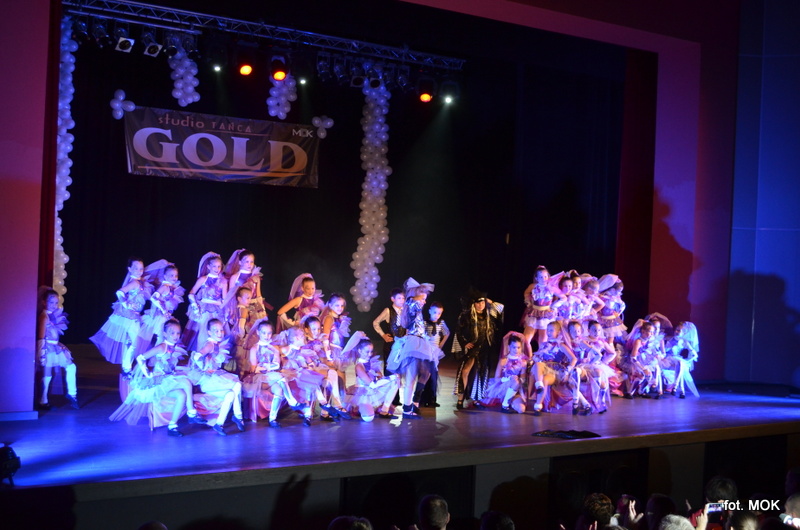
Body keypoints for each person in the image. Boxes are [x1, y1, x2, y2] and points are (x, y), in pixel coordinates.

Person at [110, 319, 206, 437]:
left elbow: (170, 367)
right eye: (172, 333)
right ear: (165, 334)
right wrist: (148, 374)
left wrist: (185, 368)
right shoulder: (162, 347)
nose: (175, 336)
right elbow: (141, 358)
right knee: (186, 382)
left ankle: (172, 426)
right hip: (159, 382)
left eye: (178, 333)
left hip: (167, 380)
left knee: (181, 395)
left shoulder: (174, 347)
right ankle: (192, 413)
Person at [387, 278, 442, 418]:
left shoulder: (416, 307)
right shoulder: (412, 305)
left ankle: (415, 402)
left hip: (421, 342)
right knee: (411, 378)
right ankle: (407, 409)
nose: (424, 302)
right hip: (414, 344)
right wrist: (415, 298)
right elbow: (410, 305)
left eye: (425, 299)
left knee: (426, 373)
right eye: (423, 299)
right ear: (416, 297)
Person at [90, 257, 153, 374]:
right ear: (130, 269)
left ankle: (126, 368)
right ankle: (127, 368)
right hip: (130, 317)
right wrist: (127, 305)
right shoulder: (134, 282)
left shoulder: (139, 282)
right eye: (136, 268)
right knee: (135, 343)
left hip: (133, 316)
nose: (139, 271)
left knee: (133, 343)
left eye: (141, 269)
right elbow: (119, 292)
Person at [188, 319, 245, 435]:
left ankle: (219, 424)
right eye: (216, 331)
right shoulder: (210, 344)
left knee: (230, 394)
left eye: (221, 330)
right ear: (209, 332)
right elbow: (198, 355)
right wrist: (203, 365)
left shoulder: (217, 344)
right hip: (208, 381)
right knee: (237, 384)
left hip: (214, 381)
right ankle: (238, 416)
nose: (220, 333)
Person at [243, 320, 303, 427]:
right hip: (260, 378)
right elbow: (254, 368)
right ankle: (292, 402)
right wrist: (265, 367)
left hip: (273, 376)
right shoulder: (255, 348)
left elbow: (277, 364)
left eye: (269, 333)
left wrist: (267, 366)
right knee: (281, 377)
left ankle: (272, 419)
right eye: (264, 333)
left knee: (279, 389)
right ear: (258, 332)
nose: (267, 336)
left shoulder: (274, 348)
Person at [454, 288, 504, 409]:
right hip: (473, 349)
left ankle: (476, 399)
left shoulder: (489, 315)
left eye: (482, 302)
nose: (481, 305)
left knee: (481, 373)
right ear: (473, 303)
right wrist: (465, 343)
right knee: (465, 371)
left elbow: (501, 307)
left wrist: (489, 301)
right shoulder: (467, 315)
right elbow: (459, 331)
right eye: (478, 302)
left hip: (485, 349)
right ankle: (460, 398)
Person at [36, 288, 78, 410]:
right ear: (44, 302)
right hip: (47, 348)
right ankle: (43, 401)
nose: (54, 305)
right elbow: (41, 336)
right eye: (51, 302)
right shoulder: (44, 316)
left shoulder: (52, 315)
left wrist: (59, 344)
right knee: (47, 374)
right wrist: (41, 353)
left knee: (71, 367)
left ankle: (72, 394)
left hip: (55, 347)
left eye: (56, 303)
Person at [345, 333, 399, 421]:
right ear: (360, 351)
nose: (370, 354)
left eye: (371, 351)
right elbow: (372, 385)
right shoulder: (359, 366)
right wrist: (391, 377)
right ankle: (361, 408)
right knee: (368, 418)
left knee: (396, 381)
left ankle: (384, 411)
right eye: (367, 352)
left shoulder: (373, 362)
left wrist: (391, 378)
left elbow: (381, 378)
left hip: (374, 392)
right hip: (363, 394)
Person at [528, 321, 577, 416]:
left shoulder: (561, 346)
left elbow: (574, 359)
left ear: (558, 332)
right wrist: (536, 358)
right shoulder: (544, 345)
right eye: (547, 330)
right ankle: (539, 389)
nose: (548, 332)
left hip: (555, 372)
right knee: (538, 364)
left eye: (551, 330)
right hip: (544, 368)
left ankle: (538, 403)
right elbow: (539, 357)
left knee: (545, 379)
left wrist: (567, 372)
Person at [183, 252, 228, 352]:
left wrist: (226, 311)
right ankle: (200, 354)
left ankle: (215, 356)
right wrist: (195, 308)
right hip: (204, 308)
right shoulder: (203, 279)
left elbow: (224, 299)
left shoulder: (223, 281)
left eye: (219, 266)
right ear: (208, 267)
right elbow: (191, 293)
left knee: (218, 332)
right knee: (204, 331)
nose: (217, 269)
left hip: (217, 309)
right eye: (214, 266)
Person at [136, 261, 184, 354]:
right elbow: (153, 297)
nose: (174, 278)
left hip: (165, 316)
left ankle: (158, 356)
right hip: (159, 316)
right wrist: (164, 310)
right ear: (165, 276)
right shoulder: (165, 287)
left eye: (176, 275)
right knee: (160, 337)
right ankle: (155, 356)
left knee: (163, 337)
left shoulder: (170, 287)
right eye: (171, 275)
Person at [482, 331, 531, 413]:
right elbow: (497, 378)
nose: (516, 350)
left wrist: (519, 380)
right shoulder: (503, 361)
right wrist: (509, 379)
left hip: (516, 389)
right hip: (503, 388)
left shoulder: (523, 362)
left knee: (521, 410)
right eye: (514, 347)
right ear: (509, 347)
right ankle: (505, 405)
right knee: (514, 380)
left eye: (518, 347)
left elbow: (523, 379)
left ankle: (510, 401)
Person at [522, 266, 561, 347]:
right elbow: (526, 293)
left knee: (543, 341)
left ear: (548, 277)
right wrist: (528, 301)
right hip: (534, 314)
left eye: (545, 276)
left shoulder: (551, 287)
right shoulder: (533, 286)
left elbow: (563, 297)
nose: (544, 279)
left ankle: (540, 354)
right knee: (526, 339)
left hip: (546, 315)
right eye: (541, 277)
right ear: (536, 278)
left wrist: (554, 306)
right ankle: (527, 354)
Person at [224, 248, 267, 322]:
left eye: (251, 262)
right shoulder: (235, 277)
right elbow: (231, 296)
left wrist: (262, 307)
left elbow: (258, 294)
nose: (249, 264)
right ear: (240, 262)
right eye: (247, 262)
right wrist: (231, 310)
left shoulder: (256, 277)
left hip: (254, 307)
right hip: (240, 307)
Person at [421, 301, 449, 407]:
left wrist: (441, 344)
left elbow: (447, 333)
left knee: (433, 374)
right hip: (425, 351)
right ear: (429, 311)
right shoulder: (424, 323)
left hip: (435, 351)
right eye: (435, 312)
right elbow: (421, 335)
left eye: (439, 313)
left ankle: (432, 399)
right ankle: (422, 399)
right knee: (424, 374)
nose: (437, 315)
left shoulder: (441, 323)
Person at [662, 321, 700, 398]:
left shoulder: (684, 342)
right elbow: (661, 349)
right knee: (680, 365)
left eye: (680, 331)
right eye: (677, 330)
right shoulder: (668, 338)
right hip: (666, 359)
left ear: (684, 333)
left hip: (676, 360)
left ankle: (675, 387)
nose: (678, 332)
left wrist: (687, 361)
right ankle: (680, 390)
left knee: (681, 364)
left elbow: (695, 354)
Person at [372, 287, 406, 364]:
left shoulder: (405, 311)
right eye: (399, 298)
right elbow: (375, 322)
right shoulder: (388, 311)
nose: (402, 300)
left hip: (403, 343)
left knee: (401, 365)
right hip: (391, 343)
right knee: (389, 365)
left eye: (403, 298)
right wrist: (383, 335)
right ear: (393, 299)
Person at [597, 275, 627, 344]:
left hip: (611, 319)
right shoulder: (603, 297)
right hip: (602, 318)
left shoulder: (615, 298)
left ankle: (610, 346)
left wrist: (618, 313)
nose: (620, 293)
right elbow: (607, 306)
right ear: (613, 290)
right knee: (601, 335)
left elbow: (623, 305)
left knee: (611, 335)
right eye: (619, 291)